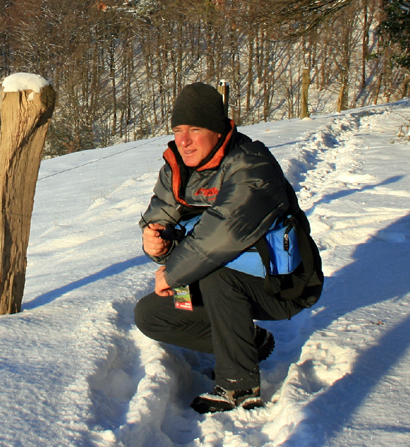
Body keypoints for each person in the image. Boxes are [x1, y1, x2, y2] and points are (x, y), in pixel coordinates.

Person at [134, 82, 318, 413]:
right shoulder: (177, 169)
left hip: (284, 284)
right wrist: (155, 243)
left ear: (219, 131)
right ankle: (250, 343)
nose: (184, 140)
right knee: (151, 316)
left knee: (216, 271)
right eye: (178, 130)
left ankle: (238, 385)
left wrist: (173, 272)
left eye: (195, 129)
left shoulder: (251, 165)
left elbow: (221, 235)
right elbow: (159, 220)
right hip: (224, 277)